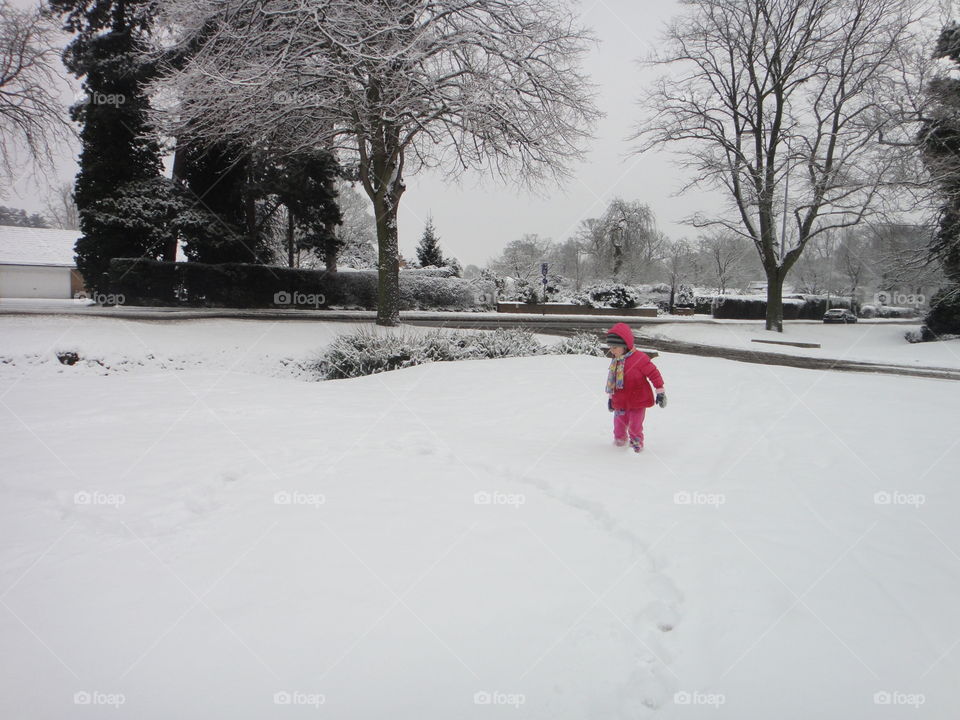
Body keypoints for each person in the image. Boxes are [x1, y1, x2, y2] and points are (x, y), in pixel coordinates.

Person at [605, 322, 666, 453]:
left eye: (615, 347)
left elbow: (654, 374)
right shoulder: (616, 361)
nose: (612, 350)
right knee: (619, 425)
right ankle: (619, 444)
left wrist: (660, 391)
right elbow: (613, 381)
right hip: (620, 400)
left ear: (625, 346)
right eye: (610, 347)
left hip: (638, 400)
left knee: (635, 426)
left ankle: (636, 446)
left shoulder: (640, 358)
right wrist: (611, 399)